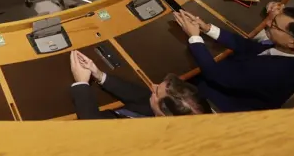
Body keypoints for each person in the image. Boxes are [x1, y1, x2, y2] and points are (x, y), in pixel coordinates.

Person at [175, 3, 294, 112]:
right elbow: (251, 48)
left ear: (293, 42)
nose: (268, 22)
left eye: (274, 24)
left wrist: (194, 37)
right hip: (245, 80)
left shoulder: (273, 72)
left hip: (226, 101)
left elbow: (216, 75)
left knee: (180, 72)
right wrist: (208, 28)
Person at [69, 50, 210, 119]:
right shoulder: (160, 110)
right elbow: (139, 95)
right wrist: (98, 74)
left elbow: (93, 127)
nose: (152, 86)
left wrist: (81, 82)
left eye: (156, 92)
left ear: (163, 115)